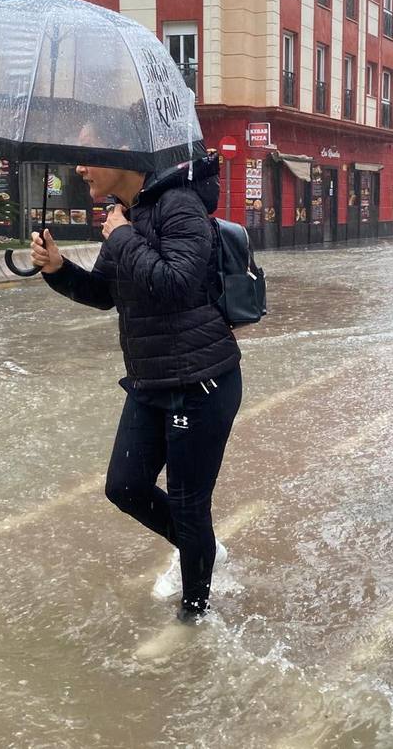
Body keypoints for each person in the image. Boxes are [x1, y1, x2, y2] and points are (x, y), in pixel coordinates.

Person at [29, 141, 242, 624]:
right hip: (150, 381)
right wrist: (58, 270)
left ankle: (195, 616)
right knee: (124, 487)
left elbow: (175, 284)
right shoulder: (125, 213)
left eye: (88, 155)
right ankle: (204, 550)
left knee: (189, 504)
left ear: (125, 156)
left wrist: (122, 235)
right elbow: (106, 293)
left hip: (201, 382)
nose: (79, 167)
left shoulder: (180, 206)